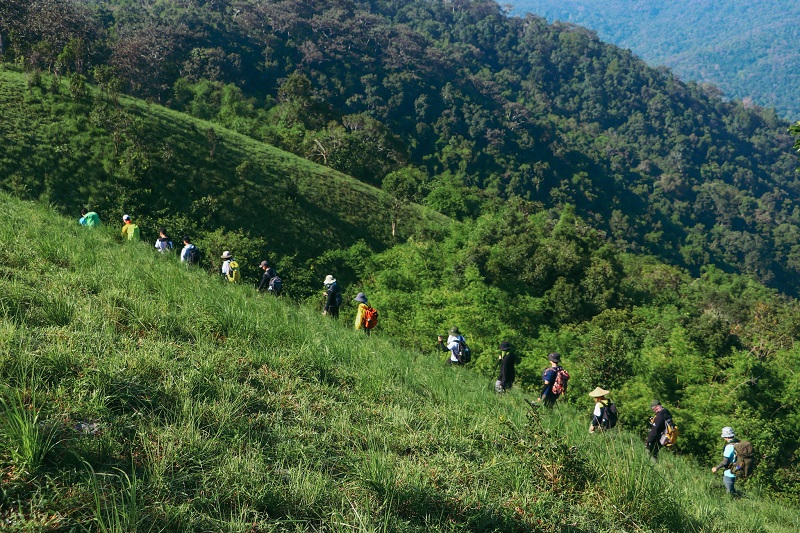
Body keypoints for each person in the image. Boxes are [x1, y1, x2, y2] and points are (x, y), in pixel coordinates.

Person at [711, 426, 738, 495]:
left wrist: (716, 468)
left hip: (730, 472)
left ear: (725, 437)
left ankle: (731, 503)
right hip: (738, 469)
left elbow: (725, 462)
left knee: (729, 492)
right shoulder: (738, 443)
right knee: (732, 490)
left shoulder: (729, 447)